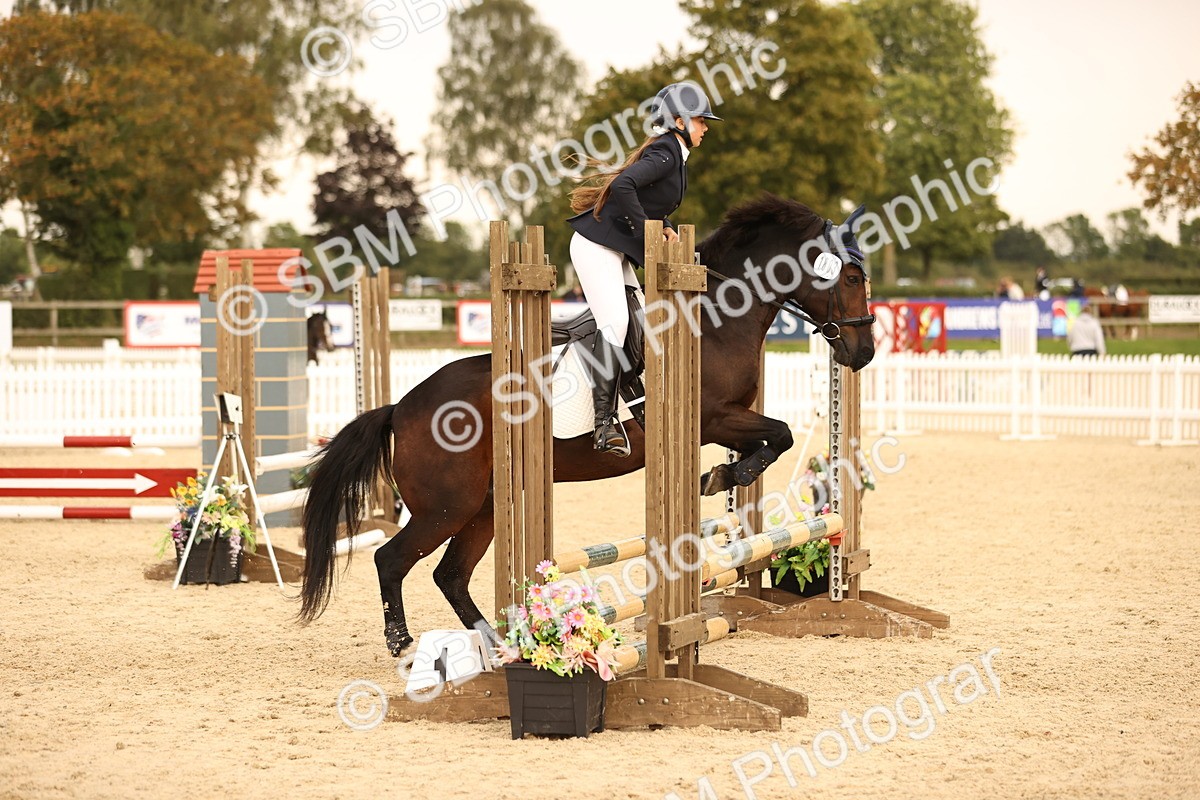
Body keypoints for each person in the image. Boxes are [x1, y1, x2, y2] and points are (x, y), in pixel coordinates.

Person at [566, 82, 721, 456]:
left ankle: (631, 404)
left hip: (612, 249)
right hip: (595, 246)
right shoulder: (668, 153)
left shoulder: (674, 155)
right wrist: (646, 232)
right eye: (701, 120)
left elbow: (651, 200)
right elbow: (623, 186)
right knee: (617, 323)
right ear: (681, 121)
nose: (706, 127)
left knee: (638, 318)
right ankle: (603, 423)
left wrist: (662, 224)